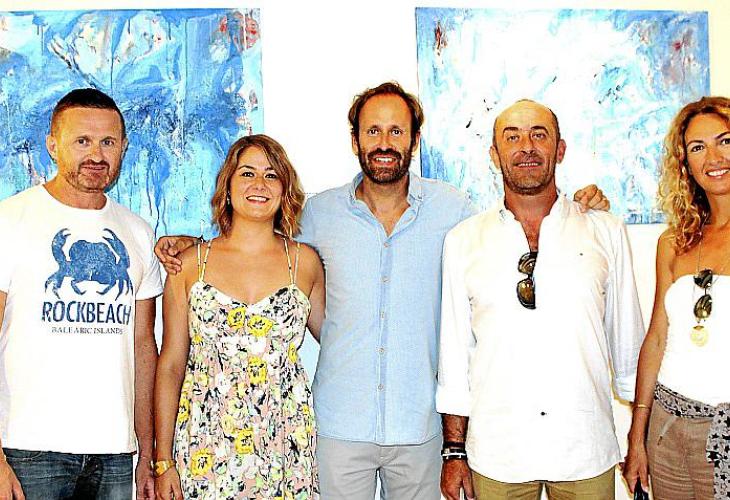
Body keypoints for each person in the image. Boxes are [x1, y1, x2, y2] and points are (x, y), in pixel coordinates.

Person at [155, 83, 609, 500]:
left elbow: (511, 227)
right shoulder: (319, 215)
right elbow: (256, 237)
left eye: (397, 131)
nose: (385, 142)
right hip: (338, 428)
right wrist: (193, 244)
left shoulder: (455, 211)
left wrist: (578, 207)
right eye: (373, 130)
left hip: (420, 427)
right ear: (355, 141)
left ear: (414, 140)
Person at [438, 99, 645, 500]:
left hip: (585, 448)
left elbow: (630, 353)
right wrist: (454, 452)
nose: (526, 147)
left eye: (539, 134)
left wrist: (639, 440)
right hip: (498, 453)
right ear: (494, 155)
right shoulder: (462, 241)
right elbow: (454, 356)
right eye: (512, 137)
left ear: (560, 149)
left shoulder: (605, 231)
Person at [0, 88, 161, 499]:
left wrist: (147, 451)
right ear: (53, 145)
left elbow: (144, 348)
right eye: (82, 141)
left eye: (107, 142)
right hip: (27, 447)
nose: (96, 155)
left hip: (115, 451)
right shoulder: (9, 220)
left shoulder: (138, 233)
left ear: (123, 146)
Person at [153, 134, 325, 499]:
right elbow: (170, 365)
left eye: (271, 175)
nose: (259, 184)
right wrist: (162, 459)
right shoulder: (189, 265)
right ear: (228, 187)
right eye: (247, 173)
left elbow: (339, 340)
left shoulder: (304, 262)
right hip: (204, 442)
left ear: (285, 189)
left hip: (283, 444)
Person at [622, 97, 730, 500]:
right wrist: (637, 435)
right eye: (698, 147)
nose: (714, 158)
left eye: (725, 141)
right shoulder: (674, 241)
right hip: (666, 428)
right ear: (685, 163)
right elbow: (656, 339)